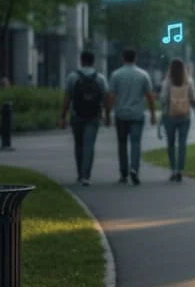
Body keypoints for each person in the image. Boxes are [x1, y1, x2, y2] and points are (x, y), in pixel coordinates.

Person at [60, 51, 110, 186]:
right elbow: (106, 98)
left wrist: (63, 116)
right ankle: (86, 176)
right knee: (89, 145)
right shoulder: (100, 78)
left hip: (77, 115)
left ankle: (79, 173)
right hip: (94, 116)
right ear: (93, 62)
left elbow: (67, 98)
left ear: (80, 60)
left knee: (78, 145)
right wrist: (107, 115)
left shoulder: (72, 77)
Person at [108, 48, 156, 185]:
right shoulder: (143, 75)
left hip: (121, 114)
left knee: (122, 144)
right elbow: (149, 96)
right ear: (135, 58)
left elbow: (111, 96)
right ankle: (134, 168)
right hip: (137, 115)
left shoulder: (116, 75)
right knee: (136, 143)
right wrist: (152, 114)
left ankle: (123, 173)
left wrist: (107, 113)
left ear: (123, 58)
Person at [159, 58, 195, 182]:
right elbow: (193, 98)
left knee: (170, 144)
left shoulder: (167, 82)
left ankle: (173, 169)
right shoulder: (189, 81)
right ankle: (180, 170)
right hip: (184, 116)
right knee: (182, 144)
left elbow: (163, 99)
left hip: (169, 115)